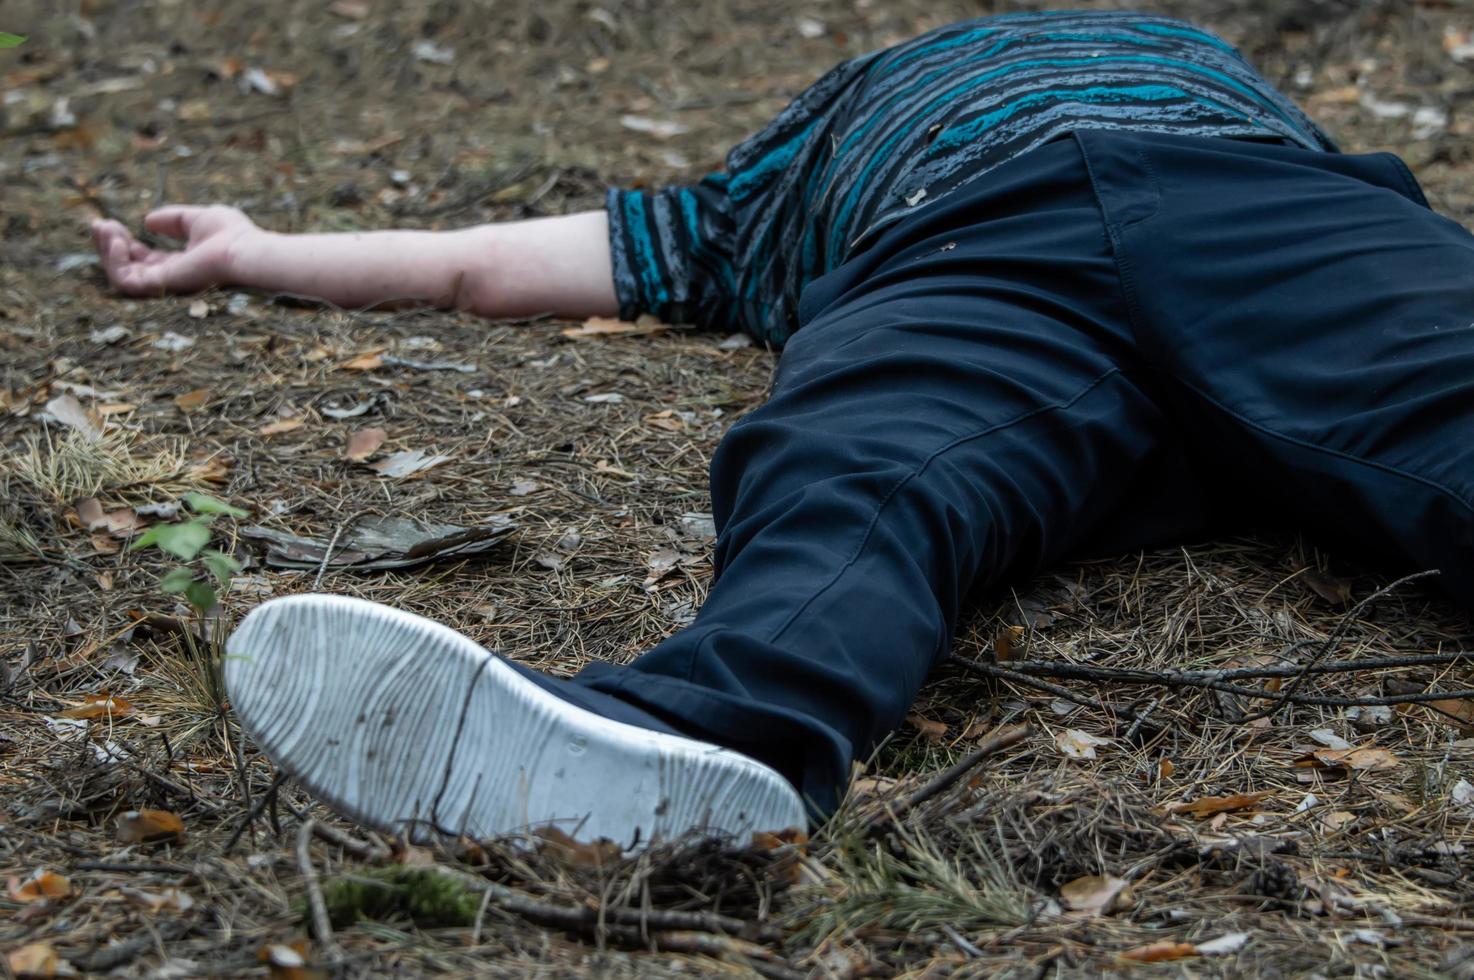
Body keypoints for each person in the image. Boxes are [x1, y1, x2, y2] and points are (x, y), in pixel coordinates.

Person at [92, 10, 1474, 847]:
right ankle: (700, 740)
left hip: (1267, 211)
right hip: (964, 264)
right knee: (852, 467)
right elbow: (486, 265)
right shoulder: (762, 190)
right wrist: (260, 250)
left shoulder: (1204, 70)